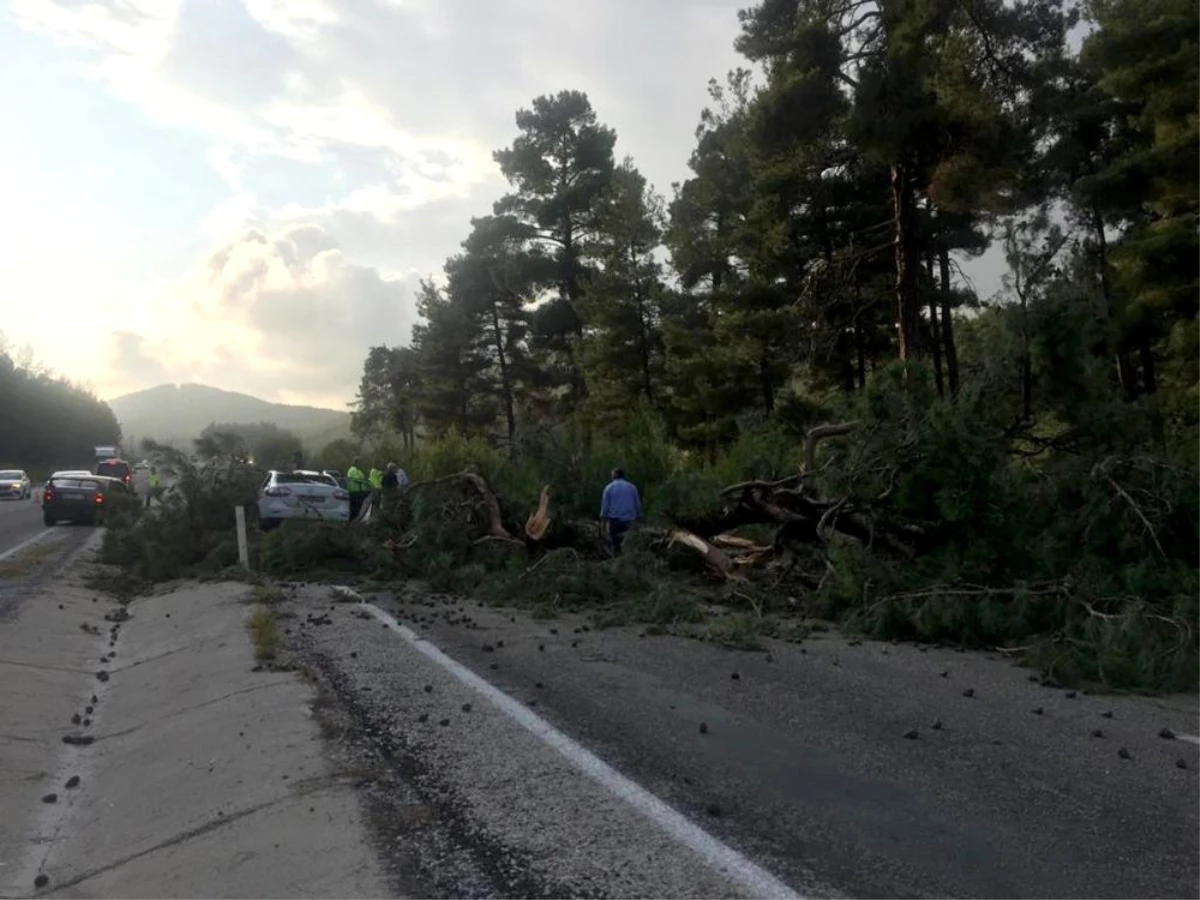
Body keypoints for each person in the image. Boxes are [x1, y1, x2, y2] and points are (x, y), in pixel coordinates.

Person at [600, 468, 641, 555]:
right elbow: (637, 504)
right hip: (629, 521)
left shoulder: (609, 488)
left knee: (616, 546)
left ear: (613, 476)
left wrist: (603, 524)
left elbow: (605, 508)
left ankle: (616, 564)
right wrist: (638, 519)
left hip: (615, 522)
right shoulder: (632, 487)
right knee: (629, 547)